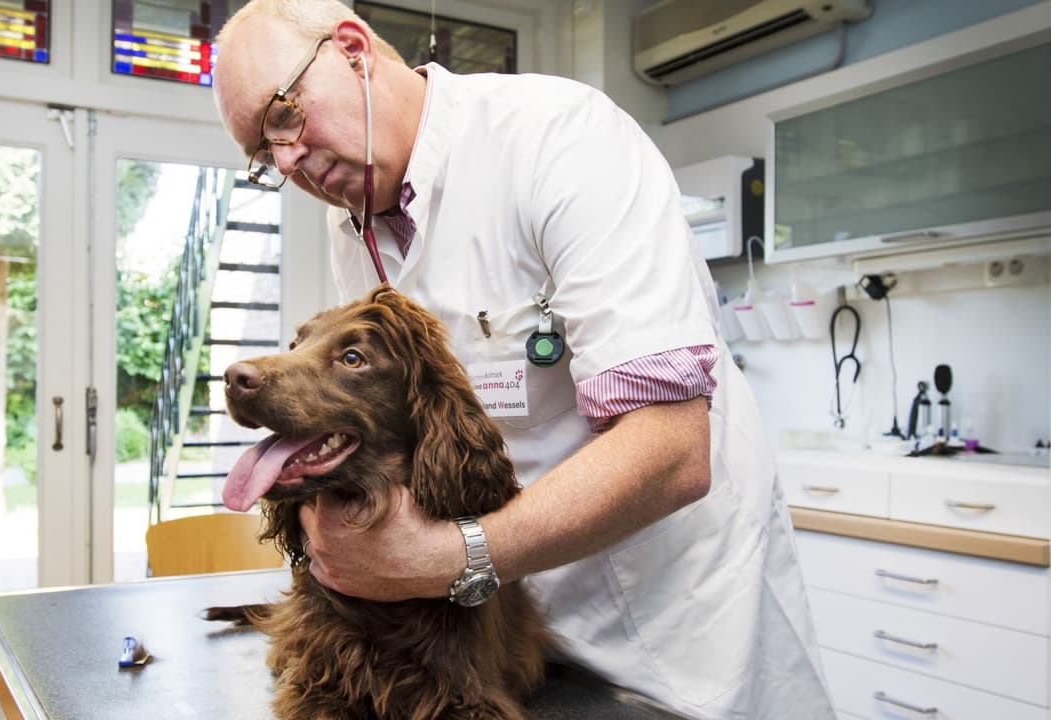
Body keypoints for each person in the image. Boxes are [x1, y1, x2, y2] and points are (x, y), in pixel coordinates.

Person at [212, 2, 837, 718]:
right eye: (262, 153)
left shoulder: (560, 138)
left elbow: (670, 449)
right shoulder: (350, 226)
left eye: (284, 116)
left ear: (353, 50)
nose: (285, 159)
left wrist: (446, 560)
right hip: (503, 626)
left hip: (670, 621)